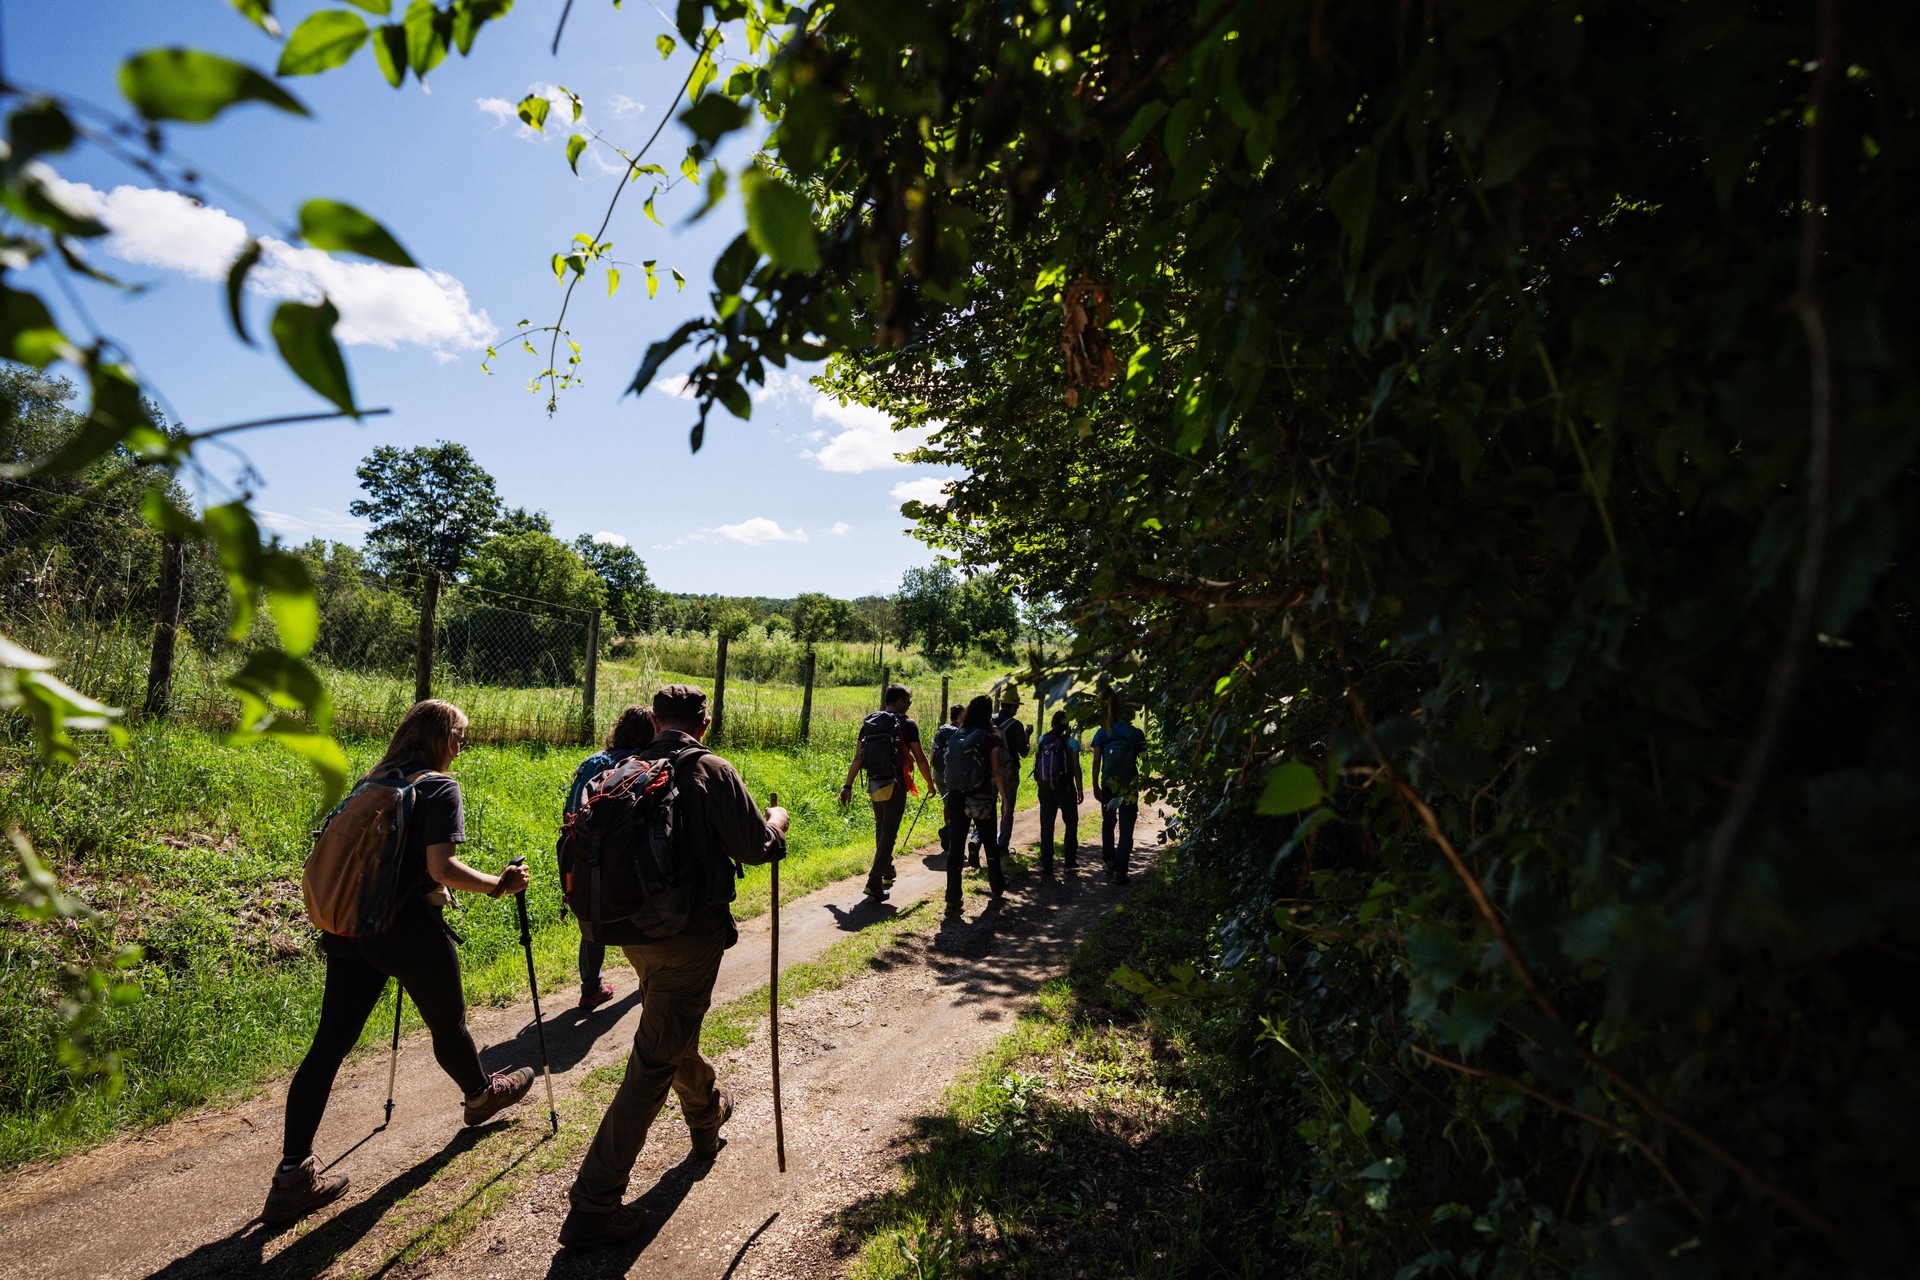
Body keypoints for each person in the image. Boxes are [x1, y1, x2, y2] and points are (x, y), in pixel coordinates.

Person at [264, 699, 535, 1225]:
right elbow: (443, 866)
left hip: (349, 924)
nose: (462, 746)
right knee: (448, 1024)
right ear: (438, 737)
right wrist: (498, 886)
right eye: (459, 736)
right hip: (404, 927)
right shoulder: (439, 786)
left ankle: (291, 1175)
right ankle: (480, 1097)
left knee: (328, 1047)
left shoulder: (376, 778)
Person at [559, 684, 789, 1250]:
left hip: (630, 932)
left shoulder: (624, 765)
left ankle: (707, 1111)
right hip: (687, 934)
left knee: (668, 1027)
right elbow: (756, 847)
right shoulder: (709, 767)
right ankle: (594, 1202)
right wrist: (777, 820)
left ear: (657, 720)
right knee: (653, 1061)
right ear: (702, 724)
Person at [560, 705, 658, 1010]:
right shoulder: (645, 764)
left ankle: (591, 988)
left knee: (593, 916)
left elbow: (571, 808)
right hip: (624, 854)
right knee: (642, 911)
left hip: (580, 847)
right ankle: (651, 978)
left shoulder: (593, 762)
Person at [838, 683, 937, 902]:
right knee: (889, 832)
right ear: (900, 701)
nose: (909, 706)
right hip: (896, 784)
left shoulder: (871, 722)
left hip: (874, 781)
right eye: (908, 702)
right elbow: (920, 758)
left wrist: (847, 786)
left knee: (881, 828)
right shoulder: (907, 724)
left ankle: (887, 869)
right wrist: (930, 783)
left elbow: (858, 758)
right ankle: (874, 881)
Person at [940, 695, 1013, 910]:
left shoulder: (957, 734)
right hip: (981, 797)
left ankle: (952, 895)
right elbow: (997, 771)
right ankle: (997, 886)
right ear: (988, 713)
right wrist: (1006, 800)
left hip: (956, 795)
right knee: (990, 841)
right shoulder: (990, 738)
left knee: (956, 846)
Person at [1090, 705, 1148, 884]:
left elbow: (1097, 760)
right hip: (1129, 785)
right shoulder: (1136, 734)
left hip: (1108, 784)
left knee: (1108, 822)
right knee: (1126, 826)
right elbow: (1146, 760)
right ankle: (1120, 871)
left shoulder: (1102, 733)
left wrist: (1095, 785)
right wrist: (1144, 780)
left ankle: (1108, 861)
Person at [1033, 710, 1085, 875]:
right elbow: (1075, 767)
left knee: (1046, 825)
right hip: (1065, 788)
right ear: (1066, 725)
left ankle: (1046, 863)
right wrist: (1080, 789)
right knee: (1071, 823)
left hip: (1045, 788)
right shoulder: (1071, 743)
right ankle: (1069, 860)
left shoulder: (1042, 739)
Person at [992, 687, 1031, 861]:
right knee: (1007, 808)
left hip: (990, 771)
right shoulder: (1016, 726)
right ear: (1014, 707)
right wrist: (1027, 736)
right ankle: (1002, 846)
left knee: (987, 807)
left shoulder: (989, 721)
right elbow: (1023, 752)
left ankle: (980, 840)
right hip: (1009, 772)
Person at [930, 702, 964, 854]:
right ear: (958, 718)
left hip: (938, 773)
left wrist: (934, 771)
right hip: (954, 775)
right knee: (957, 806)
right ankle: (950, 830)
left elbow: (932, 750)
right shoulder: (961, 733)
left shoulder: (941, 730)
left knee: (947, 804)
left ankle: (948, 830)